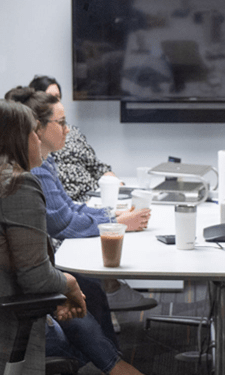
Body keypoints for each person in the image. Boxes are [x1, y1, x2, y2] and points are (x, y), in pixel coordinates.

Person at [0, 100, 142, 375]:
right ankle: (117, 367)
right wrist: (69, 284)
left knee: (80, 319)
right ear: (17, 139)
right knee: (85, 334)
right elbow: (35, 277)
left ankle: (117, 367)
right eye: (33, 132)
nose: (38, 137)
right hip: (11, 323)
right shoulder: (18, 184)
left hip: (17, 302)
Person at [5, 87, 157, 311]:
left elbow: (68, 207)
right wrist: (117, 223)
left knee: (92, 290)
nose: (68, 130)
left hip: (41, 273)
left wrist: (112, 215)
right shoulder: (33, 172)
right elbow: (63, 222)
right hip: (39, 278)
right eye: (62, 123)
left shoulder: (45, 161)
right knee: (92, 290)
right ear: (39, 128)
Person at [29, 75, 119, 203]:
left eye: (57, 97)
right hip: (74, 201)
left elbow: (96, 166)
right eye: (49, 97)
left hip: (95, 195)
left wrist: (116, 185)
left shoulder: (73, 132)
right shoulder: (34, 144)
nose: (55, 101)